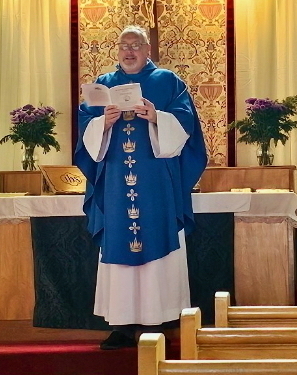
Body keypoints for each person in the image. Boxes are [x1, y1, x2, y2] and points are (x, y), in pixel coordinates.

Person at [74, 25, 207, 350]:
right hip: (116, 186)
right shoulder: (104, 84)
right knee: (119, 244)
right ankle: (121, 325)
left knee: (157, 238)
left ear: (148, 50)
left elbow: (186, 124)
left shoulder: (167, 81)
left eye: (136, 45)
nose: (129, 51)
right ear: (117, 50)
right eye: (123, 45)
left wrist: (156, 116)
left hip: (156, 185)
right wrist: (100, 123)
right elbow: (85, 132)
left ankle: (157, 321)